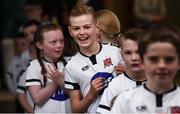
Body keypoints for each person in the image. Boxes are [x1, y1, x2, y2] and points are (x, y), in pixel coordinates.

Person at [64, 5, 124, 113]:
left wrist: (126, 74)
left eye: (87, 27)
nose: (82, 32)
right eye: (76, 28)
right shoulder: (71, 66)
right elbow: (75, 109)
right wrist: (91, 94)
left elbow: (138, 83)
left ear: (97, 28)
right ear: (70, 31)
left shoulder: (116, 51)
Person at [111, 26, 180, 113]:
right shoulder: (125, 101)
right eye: (153, 59)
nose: (161, 66)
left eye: (169, 59)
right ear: (142, 61)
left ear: (178, 62)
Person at [97, 28, 146, 113]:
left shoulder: (160, 84)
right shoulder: (115, 85)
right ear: (121, 55)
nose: (134, 58)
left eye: (139, 52)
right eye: (128, 53)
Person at [26, 23, 71, 113]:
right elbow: (37, 99)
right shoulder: (34, 66)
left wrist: (61, 81)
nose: (59, 45)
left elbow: (79, 95)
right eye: (53, 42)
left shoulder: (71, 62)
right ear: (39, 45)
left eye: (61, 41)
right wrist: (56, 81)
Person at [5, 32, 28, 113]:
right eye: (17, 45)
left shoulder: (31, 59)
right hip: (18, 96)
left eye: (23, 44)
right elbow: (8, 77)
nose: (19, 47)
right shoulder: (13, 62)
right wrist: (14, 92)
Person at [16, 45, 36, 113]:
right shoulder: (26, 74)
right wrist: (32, 112)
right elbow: (21, 97)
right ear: (31, 56)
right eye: (37, 53)